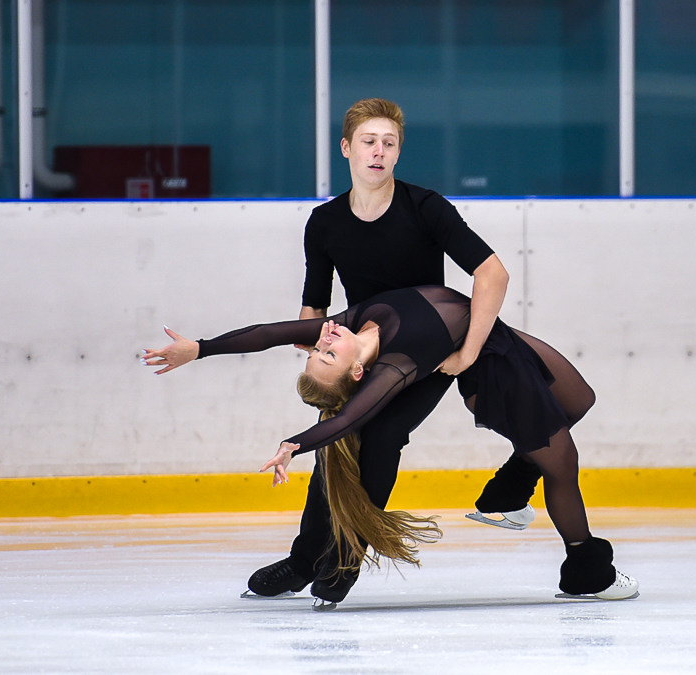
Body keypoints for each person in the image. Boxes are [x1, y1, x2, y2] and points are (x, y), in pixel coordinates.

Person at [143, 285, 639, 610]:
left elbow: (270, 333)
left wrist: (200, 348)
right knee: (563, 462)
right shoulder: (394, 367)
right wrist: (296, 443)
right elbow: (352, 416)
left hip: (493, 334)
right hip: (490, 365)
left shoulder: (344, 326)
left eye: (317, 349)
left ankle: (506, 495)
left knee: (580, 400)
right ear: (356, 372)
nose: (322, 340)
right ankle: (586, 569)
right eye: (326, 354)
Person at [248, 98, 541, 602]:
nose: (378, 152)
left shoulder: (425, 207)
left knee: (380, 435)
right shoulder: (324, 223)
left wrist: (467, 352)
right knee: (333, 444)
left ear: (398, 153)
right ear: (346, 149)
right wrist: (317, 349)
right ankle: (303, 561)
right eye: (368, 142)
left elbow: (491, 273)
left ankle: (348, 555)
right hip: (362, 350)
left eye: (389, 144)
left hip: (424, 356)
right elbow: (313, 305)